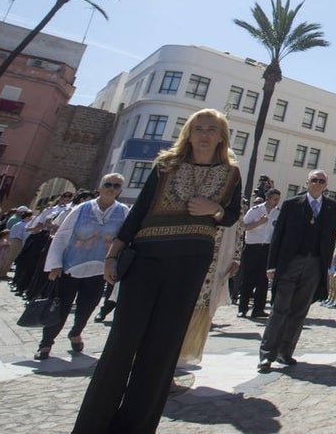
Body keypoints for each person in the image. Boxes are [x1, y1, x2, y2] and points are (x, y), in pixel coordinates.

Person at [72, 109, 241, 434]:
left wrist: (214, 209)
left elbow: (231, 216)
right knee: (122, 344)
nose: (204, 134)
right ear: (188, 133)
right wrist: (113, 254)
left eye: (212, 129)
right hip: (147, 259)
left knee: (163, 349)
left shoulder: (231, 174)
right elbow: (139, 210)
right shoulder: (165, 166)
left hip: (189, 265)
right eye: (198, 128)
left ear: (221, 136)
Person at [35, 174, 129, 359]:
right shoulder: (82, 209)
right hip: (72, 266)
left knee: (88, 306)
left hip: (99, 269)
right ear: (100, 187)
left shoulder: (123, 211)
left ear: (120, 191)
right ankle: (46, 343)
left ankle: (76, 332)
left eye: (116, 186)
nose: (111, 188)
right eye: (108, 184)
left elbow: (124, 239)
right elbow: (62, 235)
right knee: (60, 307)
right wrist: (55, 264)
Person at [257, 169, 336, 373]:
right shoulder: (291, 204)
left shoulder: (331, 207)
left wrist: (325, 266)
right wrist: (271, 265)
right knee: (279, 308)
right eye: (314, 180)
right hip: (291, 262)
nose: (318, 183)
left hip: (314, 264)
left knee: (300, 310)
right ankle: (267, 355)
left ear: (326, 185)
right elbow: (278, 235)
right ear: (307, 182)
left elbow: (329, 238)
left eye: (321, 181)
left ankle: (286, 351)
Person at [178, 220, 243, 367]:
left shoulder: (235, 199)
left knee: (202, 307)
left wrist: (236, 258)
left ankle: (181, 356)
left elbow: (239, 227)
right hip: (190, 252)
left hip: (216, 261)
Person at [238, 188, 280, 318]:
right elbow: (243, 227)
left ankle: (258, 309)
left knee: (263, 280)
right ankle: (243, 308)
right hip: (252, 248)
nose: (276, 202)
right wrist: (259, 223)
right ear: (268, 198)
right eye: (274, 199)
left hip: (267, 249)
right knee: (248, 279)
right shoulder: (255, 210)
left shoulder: (278, 212)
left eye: (278, 199)